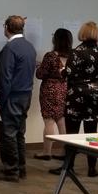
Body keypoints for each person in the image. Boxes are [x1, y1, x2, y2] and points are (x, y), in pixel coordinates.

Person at [50, 21, 98, 177]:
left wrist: (62, 70)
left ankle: (68, 167)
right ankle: (92, 168)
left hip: (76, 95)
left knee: (73, 134)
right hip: (96, 96)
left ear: (82, 34)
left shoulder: (76, 53)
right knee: (92, 133)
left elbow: (67, 74)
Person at [0, 15, 36, 182]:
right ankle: (21, 168)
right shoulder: (29, 47)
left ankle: (11, 170)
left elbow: (6, 80)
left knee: (8, 134)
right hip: (26, 96)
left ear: (7, 27)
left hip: (12, 97)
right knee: (19, 134)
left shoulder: (9, 49)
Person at [34, 28, 73, 162]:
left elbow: (40, 74)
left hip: (49, 91)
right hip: (64, 89)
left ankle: (46, 152)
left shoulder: (50, 56)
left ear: (56, 39)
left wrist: (39, 67)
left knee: (49, 121)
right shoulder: (72, 56)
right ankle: (64, 152)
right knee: (61, 121)